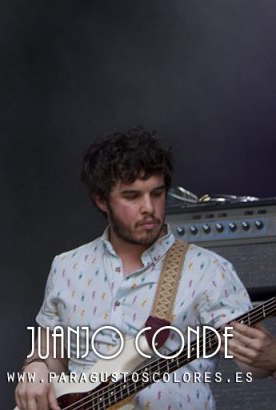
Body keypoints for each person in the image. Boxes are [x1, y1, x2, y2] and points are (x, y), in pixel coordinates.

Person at [15, 127, 276, 410]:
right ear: (101, 200)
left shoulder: (209, 270)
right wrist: (37, 365)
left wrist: (270, 358)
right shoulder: (67, 266)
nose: (149, 208)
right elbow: (52, 351)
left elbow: (253, 365)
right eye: (132, 196)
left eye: (157, 193)